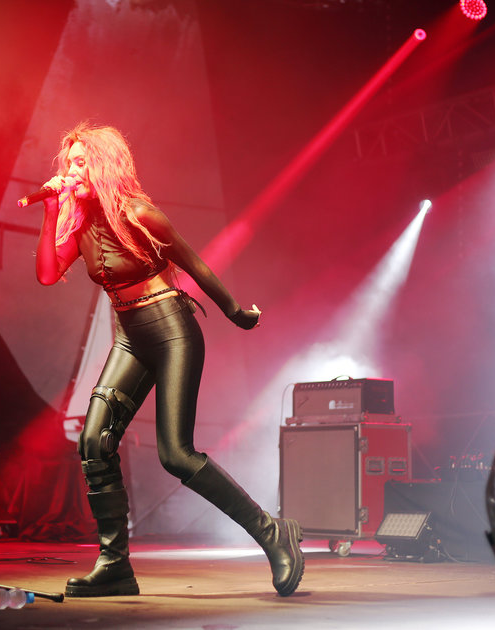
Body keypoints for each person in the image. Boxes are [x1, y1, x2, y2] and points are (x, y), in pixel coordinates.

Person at [34, 122, 304, 597]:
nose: (71, 171)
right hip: (130, 336)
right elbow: (46, 273)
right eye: (69, 163)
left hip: (172, 329)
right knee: (94, 440)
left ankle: (271, 533)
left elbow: (193, 262)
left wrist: (236, 313)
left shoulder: (139, 214)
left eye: (80, 162)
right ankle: (114, 566)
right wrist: (53, 207)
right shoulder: (79, 226)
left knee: (175, 454)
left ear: (102, 165)